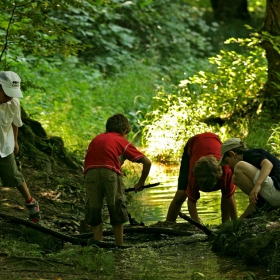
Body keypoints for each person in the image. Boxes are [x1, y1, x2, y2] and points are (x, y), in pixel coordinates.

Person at [84, 113, 151, 246]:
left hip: (90, 172)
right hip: (109, 174)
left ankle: (98, 245)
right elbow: (147, 162)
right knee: (116, 208)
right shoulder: (121, 140)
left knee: (94, 208)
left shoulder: (96, 139)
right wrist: (140, 183)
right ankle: (119, 247)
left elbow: (99, 161)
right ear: (124, 131)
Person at [166, 132, 237, 224]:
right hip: (194, 143)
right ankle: (168, 224)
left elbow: (229, 198)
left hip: (214, 139)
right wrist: (198, 226)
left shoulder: (226, 171)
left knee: (226, 192)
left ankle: (225, 223)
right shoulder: (193, 176)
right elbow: (191, 203)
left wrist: (235, 223)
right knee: (181, 194)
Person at [0, 71, 40, 223]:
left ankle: (31, 203)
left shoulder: (14, 103)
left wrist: (15, 141)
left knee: (13, 175)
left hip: (5, 145)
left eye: (12, 94)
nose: (10, 97)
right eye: (7, 94)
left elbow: (15, 123)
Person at [218, 138, 280, 219]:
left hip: (277, 189)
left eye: (227, 161)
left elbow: (268, 165)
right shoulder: (248, 162)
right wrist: (240, 220)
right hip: (274, 194)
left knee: (239, 166)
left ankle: (262, 205)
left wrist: (257, 185)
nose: (228, 166)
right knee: (234, 178)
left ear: (232, 154)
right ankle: (261, 205)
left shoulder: (250, 154)